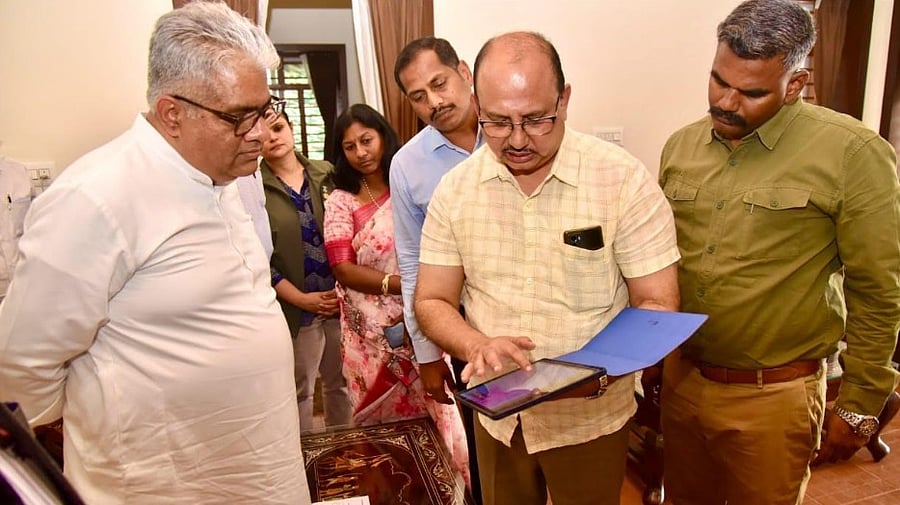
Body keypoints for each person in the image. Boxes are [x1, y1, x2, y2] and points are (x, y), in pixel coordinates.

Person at [0, 3, 311, 504]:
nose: (259, 132)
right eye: (239, 117)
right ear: (172, 114)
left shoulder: (223, 173)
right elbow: (22, 364)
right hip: (166, 484)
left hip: (258, 470)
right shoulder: (96, 197)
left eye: (264, 109)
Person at [414, 31, 681, 505]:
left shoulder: (622, 180)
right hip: (499, 420)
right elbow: (432, 299)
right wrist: (475, 344)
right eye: (498, 122)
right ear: (477, 104)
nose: (517, 140)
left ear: (565, 99)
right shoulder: (455, 191)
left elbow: (657, 304)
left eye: (536, 119)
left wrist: (596, 374)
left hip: (590, 420)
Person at [657, 1, 900, 504]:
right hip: (683, 381)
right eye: (718, 80)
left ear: (795, 84)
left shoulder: (852, 153)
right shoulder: (681, 146)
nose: (726, 102)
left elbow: (878, 289)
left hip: (773, 396)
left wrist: (860, 402)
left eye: (751, 93)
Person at [323, 103, 470, 485]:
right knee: (381, 433)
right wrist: (399, 284)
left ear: (383, 136)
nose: (361, 152)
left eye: (366, 140)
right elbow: (342, 268)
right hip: (368, 339)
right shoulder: (340, 200)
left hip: (425, 320)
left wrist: (421, 292)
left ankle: (448, 490)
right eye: (350, 147)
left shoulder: (409, 183)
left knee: (438, 412)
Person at [390, 35, 483, 501]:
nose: (434, 102)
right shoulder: (408, 165)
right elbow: (412, 263)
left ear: (464, 71)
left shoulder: (516, 133)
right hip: (466, 328)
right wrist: (428, 356)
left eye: (439, 84)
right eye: (418, 96)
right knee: (488, 456)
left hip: (543, 316)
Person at [260, 111, 352, 432]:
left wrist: (344, 290)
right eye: (264, 133)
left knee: (341, 383)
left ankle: (344, 447)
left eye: (278, 127)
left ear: (291, 128)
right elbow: (258, 258)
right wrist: (301, 299)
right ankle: (306, 455)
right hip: (295, 307)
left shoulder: (326, 173)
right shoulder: (254, 187)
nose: (273, 137)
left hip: (339, 301)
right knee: (300, 390)